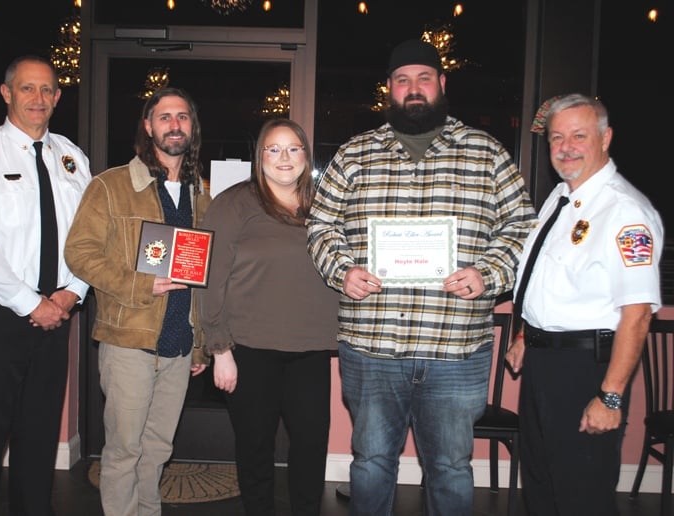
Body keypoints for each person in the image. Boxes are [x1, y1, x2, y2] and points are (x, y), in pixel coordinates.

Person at [306, 39, 538, 516]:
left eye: (424, 78)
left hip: (455, 350)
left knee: (451, 469)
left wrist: (489, 272)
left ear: (442, 84)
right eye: (402, 80)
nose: (414, 89)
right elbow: (320, 225)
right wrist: (341, 269)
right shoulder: (355, 154)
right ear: (389, 89)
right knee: (370, 464)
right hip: (372, 347)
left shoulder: (486, 153)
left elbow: (523, 227)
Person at [0, 55, 92, 515]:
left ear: (58, 97)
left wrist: (73, 291)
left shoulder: (73, 158)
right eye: (27, 89)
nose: (38, 99)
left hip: (56, 315)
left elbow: (92, 234)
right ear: (6, 93)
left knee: (40, 435)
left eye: (47, 90)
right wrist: (31, 303)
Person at [505, 93, 664, 515]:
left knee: (580, 495)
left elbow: (638, 314)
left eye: (579, 135)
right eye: (557, 138)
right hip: (543, 363)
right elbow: (547, 277)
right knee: (540, 485)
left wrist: (610, 397)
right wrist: (526, 334)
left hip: (584, 371)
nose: (566, 147)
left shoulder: (624, 211)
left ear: (606, 137)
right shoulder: (562, 198)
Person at [64, 87, 211, 516]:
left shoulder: (200, 193)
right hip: (128, 339)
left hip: (178, 345)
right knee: (125, 449)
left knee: (158, 448)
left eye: (182, 117)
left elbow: (200, 278)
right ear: (148, 127)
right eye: (164, 117)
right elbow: (79, 252)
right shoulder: (111, 186)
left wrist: (198, 341)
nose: (174, 125)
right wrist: (139, 284)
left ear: (192, 127)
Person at [196, 118, 339, 515]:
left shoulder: (326, 205)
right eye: (273, 149)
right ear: (259, 157)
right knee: (255, 448)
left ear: (306, 156)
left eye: (293, 148)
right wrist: (219, 348)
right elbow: (212, 279)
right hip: (249, 349)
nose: (284, 158)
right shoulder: (234, 203)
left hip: (311, 350)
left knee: (311, 447)